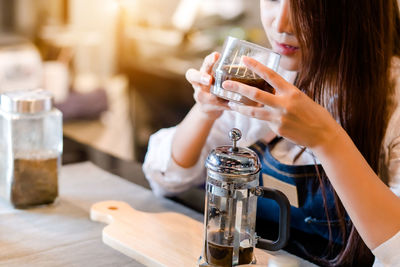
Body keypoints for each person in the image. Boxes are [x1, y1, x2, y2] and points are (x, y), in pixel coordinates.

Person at [143, 0, 400, 266]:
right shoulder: (262, 75)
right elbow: (165, 178)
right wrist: (205, 110)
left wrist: (327, 140)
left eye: (307, 7)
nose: (281, 24)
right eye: (274, 0)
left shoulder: (393, 100)